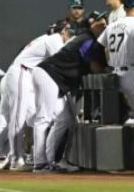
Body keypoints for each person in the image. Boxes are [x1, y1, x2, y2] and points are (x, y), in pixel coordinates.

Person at [0, 20, 76, 171]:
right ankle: (15, 159)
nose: (69, 36)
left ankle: (32, 156)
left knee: (34, 117)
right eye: (69, 32)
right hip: (21, 71)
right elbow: (63, 61)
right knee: (17, 117)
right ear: (63, 32)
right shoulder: (54, 39)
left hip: (30, 75)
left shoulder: (46, 39)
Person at [32, 19, 107, 172]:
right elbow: (94, 66)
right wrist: (106, 72)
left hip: (54, 77)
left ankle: (52, 159)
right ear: (92, 26)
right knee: (43, 118)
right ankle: (39, 163)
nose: (104, 24)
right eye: (100, 22)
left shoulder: (88, 38)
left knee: (65, 119)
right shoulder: (87, 39)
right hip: (49, 73)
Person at [97, 0, 134, 125]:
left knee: (119, 119)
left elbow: (98, 48)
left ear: (124, 8)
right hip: (132, 74)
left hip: (114, 76)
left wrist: (106, 65)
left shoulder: (112, 25)